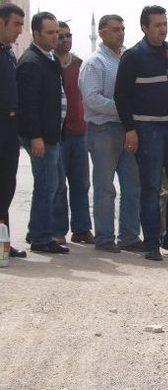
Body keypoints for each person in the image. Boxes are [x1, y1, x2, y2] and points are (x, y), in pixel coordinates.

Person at [114, 5, 168, 261]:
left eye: (165, 24)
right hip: (148, 129)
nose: (162, 29)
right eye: (157, 25)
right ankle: (151, 243)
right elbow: (121, 97)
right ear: (144, 27)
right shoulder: (132, 57)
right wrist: (130, 129)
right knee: (151, 187)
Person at [79, 14, 144, 253]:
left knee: (133, 185)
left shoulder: (127, 60)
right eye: (115, 29)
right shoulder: (95, 63)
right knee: (105, 187)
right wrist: (125, 110)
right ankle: (105, 238)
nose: (121, 33)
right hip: (103, 130)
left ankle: (129, 236)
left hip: (128, 130)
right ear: (102, 32)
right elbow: (92, 99)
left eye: (123, 28)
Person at [17, 11, 69, 254]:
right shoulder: (31, 62)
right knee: (46, 185)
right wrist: (36, 136)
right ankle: (40, 237)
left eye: (57, 32)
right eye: (50, 33)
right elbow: (29, 105)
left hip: (52, 135)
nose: (55, 37)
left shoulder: (49, 59)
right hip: (41, 137)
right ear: (35, 33)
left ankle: (39, 231)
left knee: (53, 184)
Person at [52, 21, 94, 245]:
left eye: (69, 35)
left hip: (80, 132)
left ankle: (82, 229)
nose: (66, 40)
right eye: (61, 36)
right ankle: (58, 230)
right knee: (58, 185)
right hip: (57, 134)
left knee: (81, 183)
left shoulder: (80, 64)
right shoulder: (48, 64)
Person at [0, 2, 26, 258]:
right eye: (16, 24)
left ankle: (2, 244)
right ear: (1, 22)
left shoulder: (8, 53)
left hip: (9, 129)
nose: (20, 30)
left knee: (6, 187)